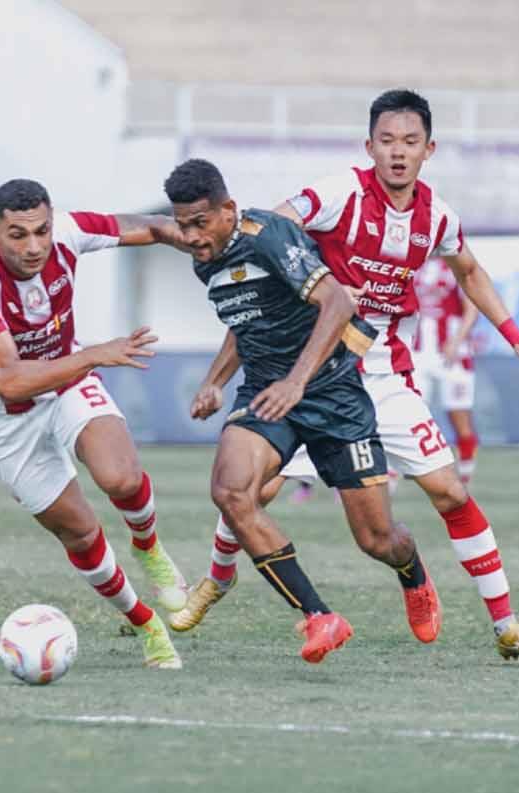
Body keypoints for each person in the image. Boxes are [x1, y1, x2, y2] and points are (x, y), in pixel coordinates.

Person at [176, 90, 519, 660]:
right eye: (386, 141)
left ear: (428, 149)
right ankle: (215, 581)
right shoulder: (339, 193)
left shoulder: (436, 216)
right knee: (247, 486)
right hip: (309, 368)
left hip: (384, 375)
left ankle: (506, 624)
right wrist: (310, 281)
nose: (397, 152)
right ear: (369, 146)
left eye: (409, 142)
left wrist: (518, 339)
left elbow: (469, 268)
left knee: (448, 492)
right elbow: (269, 232)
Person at [165, 158, 433, 665]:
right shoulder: (206, 252)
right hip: (267, 394)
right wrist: (214, 382)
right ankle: (319, 617)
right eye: (183, 226)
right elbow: (248, 321)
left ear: (228, 209)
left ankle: (413, 574)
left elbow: (337, 304)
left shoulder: (268, 235)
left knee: (377, 540)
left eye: (201, 223)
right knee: (231, 493)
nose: (193, 237)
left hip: (330, 391)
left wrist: (297, 381)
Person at [0, 178, 190, 669]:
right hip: (6, 413)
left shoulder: (69, 235)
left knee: (120, 476)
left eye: (41, 231)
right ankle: (146, 623)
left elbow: (143, 227)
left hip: (67, 379)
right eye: (17, 235)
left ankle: (149, 547)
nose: (33, 247)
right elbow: (10, 381)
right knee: (79, 532)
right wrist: (97, 354)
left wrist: (202, 236)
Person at [411, 256, 482, 483]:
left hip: (453, 355)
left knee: (460, 419)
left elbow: (472, 308)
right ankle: (394, 478)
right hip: (419, 353)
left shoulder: (455, 265)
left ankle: (465, 477)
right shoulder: (414, 265)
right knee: (408, 414)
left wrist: (456, 339)